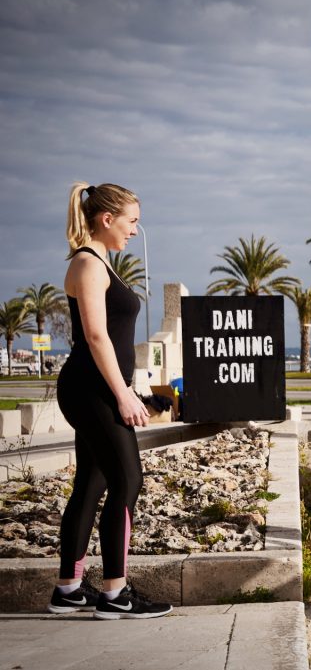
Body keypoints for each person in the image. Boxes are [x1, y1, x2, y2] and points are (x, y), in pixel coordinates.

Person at [49, 182, 172, 620]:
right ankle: (115, 593)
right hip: (92, 390)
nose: (135, 231)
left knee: (92, 482)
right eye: (131, 221)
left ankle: (68, 589)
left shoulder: (100, 262)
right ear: (106, 219)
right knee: (127, 480)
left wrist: (129, 390)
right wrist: (123, 395)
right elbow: (96, 336)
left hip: (98, 388)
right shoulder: (87, 263)